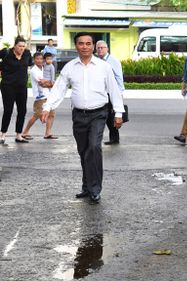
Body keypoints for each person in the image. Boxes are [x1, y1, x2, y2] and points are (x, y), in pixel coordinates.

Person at [41, 32, 125, 205]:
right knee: (83, 151)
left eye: (88, 43)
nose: (85, 47)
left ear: (93, 46)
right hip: (79, 115)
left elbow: (114, 90)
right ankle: (87, 186)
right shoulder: (70, 67)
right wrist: (47, 107)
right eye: (81, 43)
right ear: (76, 46)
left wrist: (118, 112)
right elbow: (59, 89)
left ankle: (95, 189)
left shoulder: (104, 67)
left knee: (94, 147)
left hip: (99, 113)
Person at [0, 36, 33, 144]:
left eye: (23, 46)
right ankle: (2, 135)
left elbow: (30, 64)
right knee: (8, 110)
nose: (22, 48)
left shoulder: (27, 54)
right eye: (20, 46)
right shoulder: (6, 53)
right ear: (15, 46)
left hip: (22, 87)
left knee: (22, 110)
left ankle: (19, 135)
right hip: (8, 87)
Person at [21, 52, 57, 140]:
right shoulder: (34, 70)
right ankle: (25, 132)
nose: (39, 60)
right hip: (40, 97)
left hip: (48, 95)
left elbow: (47, 82)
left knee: (51, 114)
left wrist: (49, 83)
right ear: (34, 60)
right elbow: (42, 83)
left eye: (41, 59)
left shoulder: (44, 68)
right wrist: (51, 83)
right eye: (37, 59)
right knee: (37, 115)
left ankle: (47, 133)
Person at [95, 40, 125, 145]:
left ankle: (115, 138)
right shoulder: (97, 61)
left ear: (107, 49)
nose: (100, 50)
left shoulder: (113, 61)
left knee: (111, 116)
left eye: (102, 48)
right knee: (104, 116)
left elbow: (119, 77)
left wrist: (120, 93)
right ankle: (113, 138)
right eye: (98, 48)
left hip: (112, 93)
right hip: (101, 93)